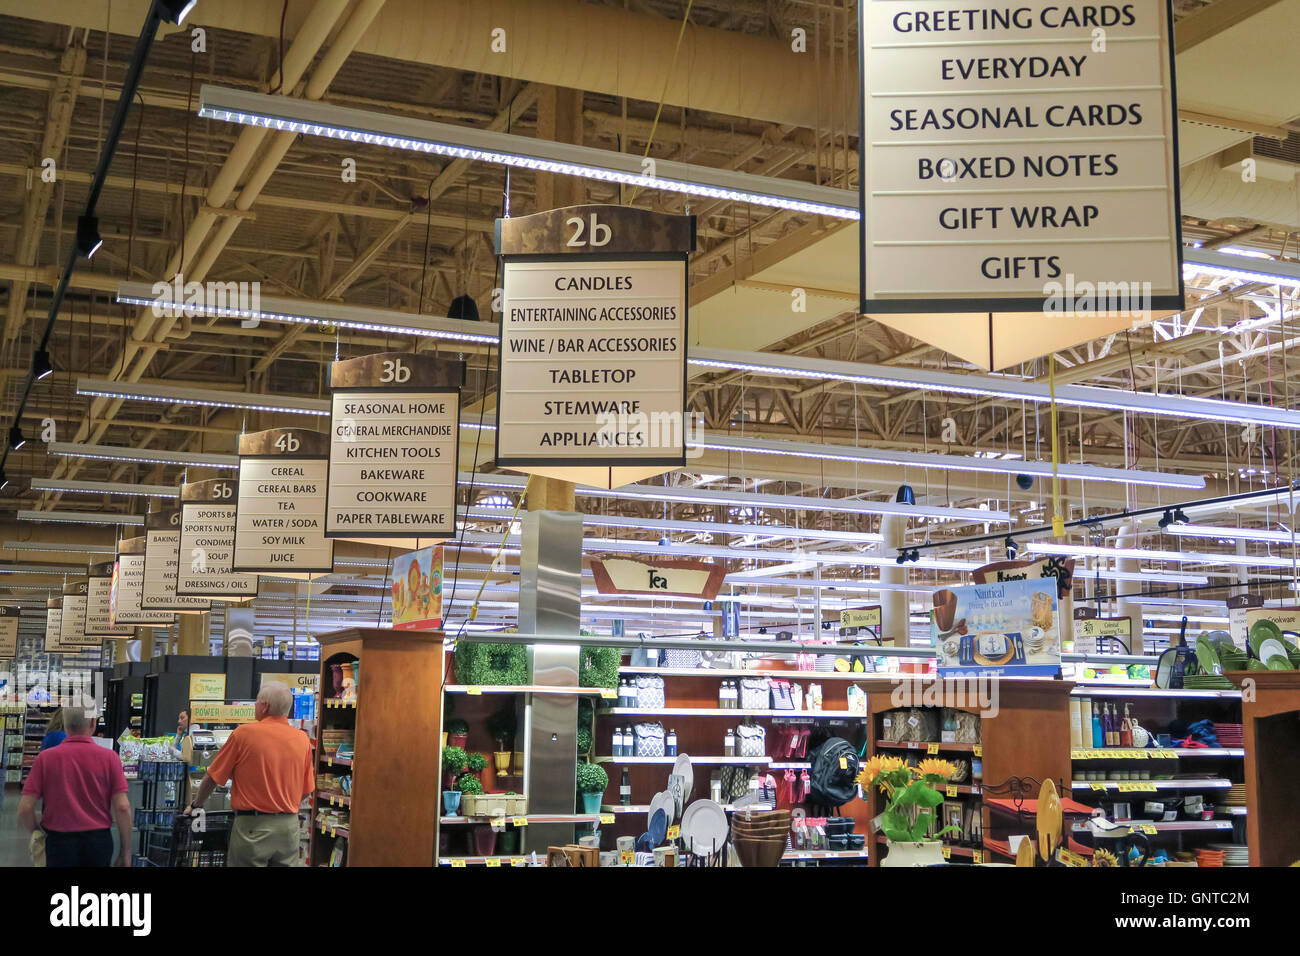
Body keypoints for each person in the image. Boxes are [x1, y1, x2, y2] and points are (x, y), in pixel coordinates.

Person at [187, 682, 313, 867]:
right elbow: (306, 790)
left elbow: (212, 777)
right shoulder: (302, 739)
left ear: (265, 706)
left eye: (257, 701)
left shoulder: (244, 734)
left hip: (253, 827)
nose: (255, 705)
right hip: (289, 828)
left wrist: (196, 805)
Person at [18, 706, 131, 867]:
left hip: (59, 842)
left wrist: (38, 832)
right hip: (97, 842)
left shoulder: (45, 758)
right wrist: (125, 852)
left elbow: (25, 808)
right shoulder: (110, 758)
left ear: (64, 722)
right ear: (93, 722)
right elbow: (123, 807)